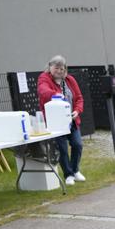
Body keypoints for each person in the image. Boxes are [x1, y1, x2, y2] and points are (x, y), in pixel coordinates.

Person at [37, 55, 85, 186]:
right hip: (56, 122)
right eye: (56, 67)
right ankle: (68, 174)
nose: (59, 70)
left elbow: (79, 98)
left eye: (62, 68)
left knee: (77, 144)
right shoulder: (44, 78)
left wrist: (77, 110)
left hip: (71, 119)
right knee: (62, 148)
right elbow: (43, 91)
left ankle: (75, 170)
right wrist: (55, 94)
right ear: (50, 67)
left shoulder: (70, 80)